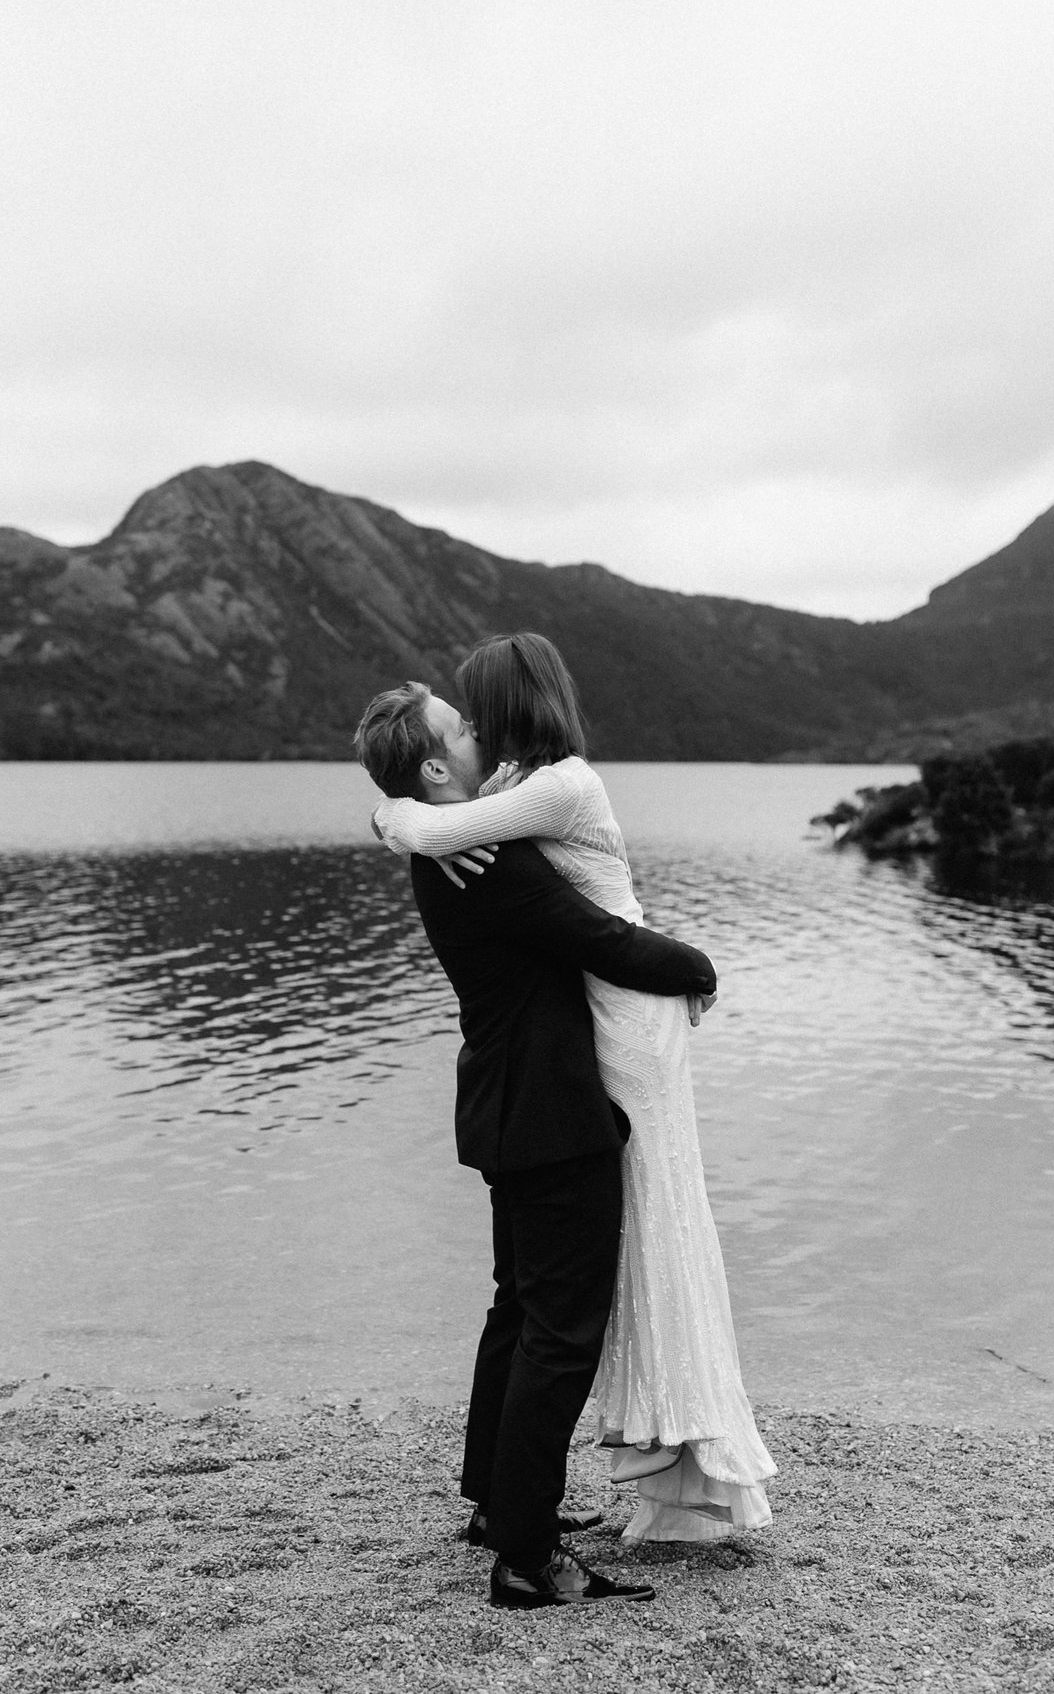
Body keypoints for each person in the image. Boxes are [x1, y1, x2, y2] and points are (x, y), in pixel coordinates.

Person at [369, 633, 774, 1547]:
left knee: (518, 1302)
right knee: (559, 1324)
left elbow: (434, 823)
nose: (478, 734)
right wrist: (701, 964)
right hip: (549, 1106)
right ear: (439, 764)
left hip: (503, 1100)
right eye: (459, 729)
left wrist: (392, 813)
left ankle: (496, 1501)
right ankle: (521, 1534)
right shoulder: (489, 856)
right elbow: (603, 940)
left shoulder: (464, 843)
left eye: (476, 715)